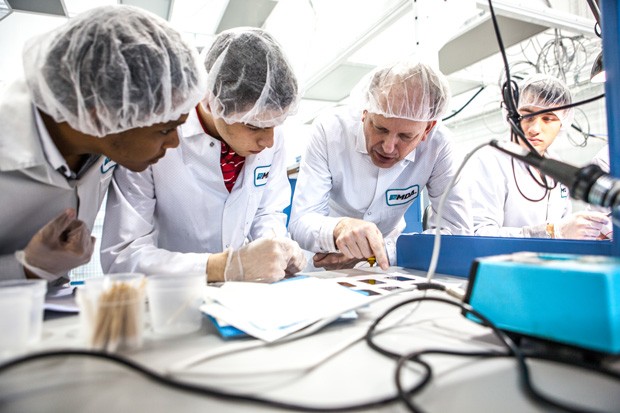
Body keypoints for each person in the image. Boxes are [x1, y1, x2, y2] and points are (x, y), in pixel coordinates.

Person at [0, 5, 206, 283]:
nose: (174, 142)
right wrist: (25, 270)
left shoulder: (102, 147)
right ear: (104, 113)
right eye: (165, 129)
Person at [100, 27, 306, 283]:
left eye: (276, 124)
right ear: (213, 101)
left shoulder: (270, 139)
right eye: (254, 126)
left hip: (241, 295)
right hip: (172, 295)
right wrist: (222, 266)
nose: (269, 141)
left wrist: (274, 247)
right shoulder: (155, 138)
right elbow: (122, 255)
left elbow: (267, 211)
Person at [288, 61, 472, 271]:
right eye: (380, 128)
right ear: (364, 112)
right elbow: (301, 220)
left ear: (427, 129)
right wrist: (339, 228)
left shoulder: (439, 145)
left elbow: (456, 233)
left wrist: (379, 251)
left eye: (405, 136)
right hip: (323, 257)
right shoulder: (330, 130)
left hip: (387, 262)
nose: (388, 146)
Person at [467, 74, 610, 239]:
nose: (535, 128)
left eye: (548, 118)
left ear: (563, 123)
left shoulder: (558, 167)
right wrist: (551, 232)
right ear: (511, 116)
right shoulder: (489, 161)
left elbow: (562, 225)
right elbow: (479, 234)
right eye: (527, 116)